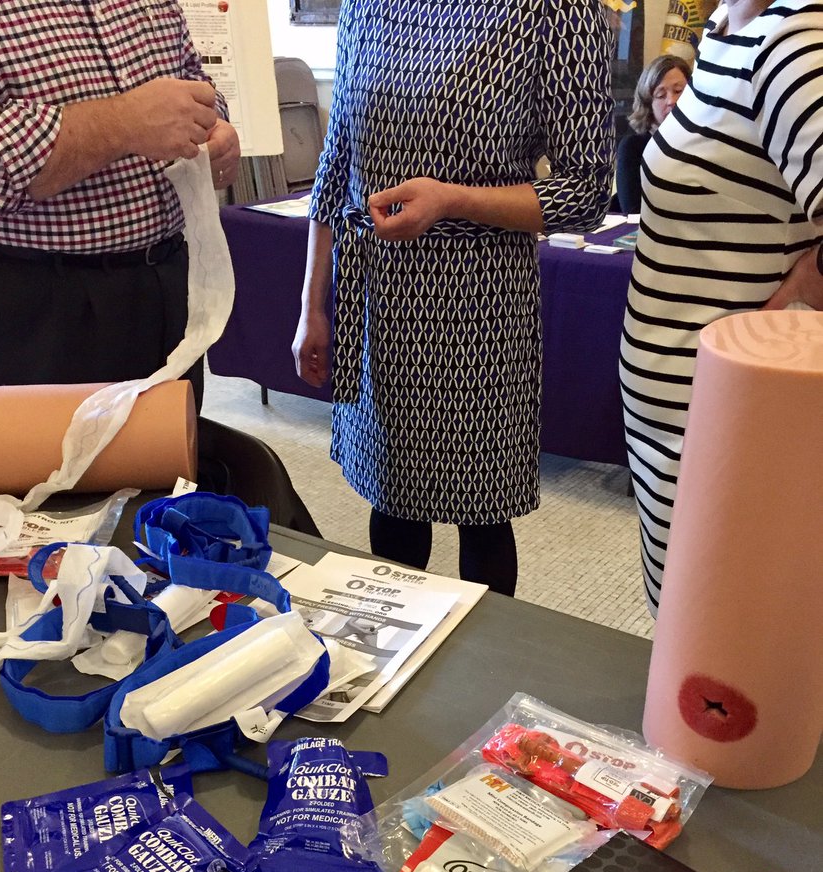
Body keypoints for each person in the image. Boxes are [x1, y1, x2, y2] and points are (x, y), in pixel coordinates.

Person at [292, 1, 615, 597]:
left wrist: (453, 200)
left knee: (484, 511)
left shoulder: (555, 11)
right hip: (377, 298)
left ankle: (485, 671)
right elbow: (336, 165)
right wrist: (312, 306)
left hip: (481, 299)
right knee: (392, 500)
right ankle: (394, 661)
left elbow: (588, 192)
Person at [0, 0, 240, 406]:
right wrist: (123, 123)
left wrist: (217, 132)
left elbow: (196, 86)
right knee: (27, 465)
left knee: (164, 457)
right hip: (18, 301)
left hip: (160, 282)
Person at [620, 0, 823, 617]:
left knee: (721, 638)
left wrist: (799, 293)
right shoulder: (725, 28)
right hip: (679, 409)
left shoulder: (790, 41)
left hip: (726, 417)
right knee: (692, 623)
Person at [615, 54, 692, 215]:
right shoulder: (633, 147)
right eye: (661, 95)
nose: (671, 100)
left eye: (678, 91)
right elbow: (633, 210)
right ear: (648, 103)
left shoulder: (705, 143)